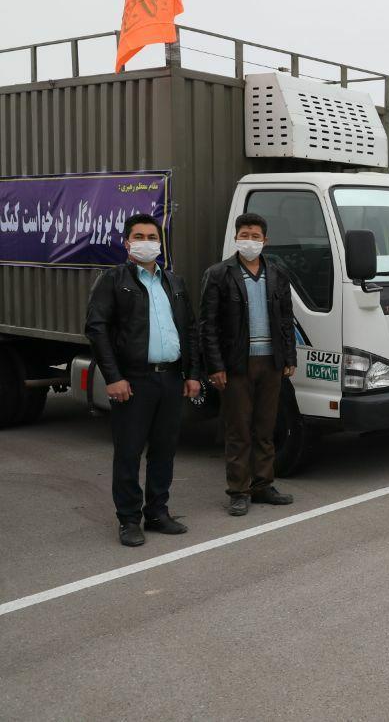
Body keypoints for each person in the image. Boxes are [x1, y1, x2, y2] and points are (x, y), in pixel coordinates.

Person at [85, 214, 202, 547]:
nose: (147, 241)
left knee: (164, 451)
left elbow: (189, 329)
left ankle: (157, 513)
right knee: (129, 452)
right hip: (133, 381)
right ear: (127, 242)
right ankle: (128, 520)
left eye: (153, 236)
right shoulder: (113, 281)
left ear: (161, 243)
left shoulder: (174, 282)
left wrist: (193, 374)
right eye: (139, 236)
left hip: (170, 379)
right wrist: (114, 377)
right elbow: (97, 329)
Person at [201, 213, 297, 517]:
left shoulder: (278, 274)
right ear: (236, 238)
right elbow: (208, 324)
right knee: (238, 429)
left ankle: (263, 485)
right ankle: (238, 491)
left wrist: (289, 357)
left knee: (265, 428)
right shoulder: (219, 274)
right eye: (245, 235)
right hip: (236, 365)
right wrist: (215, 366)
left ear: (265, 241)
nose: (250, 241)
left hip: (271, 362)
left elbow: (286, 318)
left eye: (256, 236)